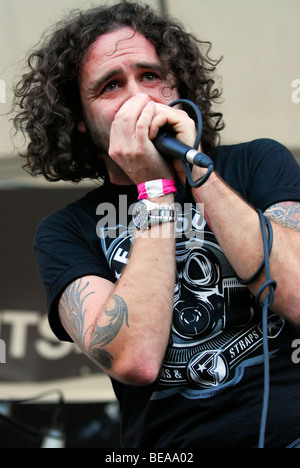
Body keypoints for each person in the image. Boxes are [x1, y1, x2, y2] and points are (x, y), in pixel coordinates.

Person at [13, 1, 300, 448]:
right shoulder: (64, 231)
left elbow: (298, 295)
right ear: (80, 121)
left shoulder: (258, 162)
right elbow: (133, 360)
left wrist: (196, 172)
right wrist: (155, 190)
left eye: (150, 75)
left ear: (177, 86)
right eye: (111, 85)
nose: (138, 97)